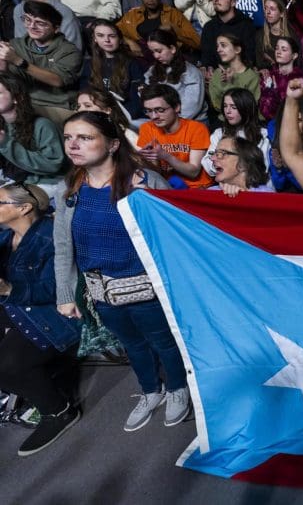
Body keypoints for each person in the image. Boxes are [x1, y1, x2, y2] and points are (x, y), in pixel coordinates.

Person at [56, 110, 191, 432]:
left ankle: (177, 389)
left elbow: (175, 234)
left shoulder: (143, 182)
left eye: (85, 137)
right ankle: (149, 391)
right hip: (101, 290)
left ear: (113, 144)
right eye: (68, 138)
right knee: (131, 345)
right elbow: (62, 245)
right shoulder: (71, 187)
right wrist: (65, 293)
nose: (73, 145)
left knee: (164, 342)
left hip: (146, 287)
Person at [0, 182, 81, 456]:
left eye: (1, 203)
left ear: (24, 208)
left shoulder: (50, 237)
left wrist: (9, 289)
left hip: (53, 318)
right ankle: (41, 379)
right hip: (18, 313)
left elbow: (56, 289)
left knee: (6, 366)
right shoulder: (4, 239)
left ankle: (58, 411)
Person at [0, 0, 83, 127]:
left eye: (40, 23)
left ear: (56, 28)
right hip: (24, 102)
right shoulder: (16, 45)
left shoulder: (69, 51)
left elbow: (58, 80)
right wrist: (3, 61)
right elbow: (5, 78)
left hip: (55, 105)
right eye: (28, 20)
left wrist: (18, 61)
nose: (32, 26)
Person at [0, 74, 65, 196]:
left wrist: (5, 143)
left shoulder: (43, 125)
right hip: (14, 180)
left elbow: (52, 165)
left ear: (16, 98)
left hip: (46, 183)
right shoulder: (4, 125)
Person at [137, 83, 212, 189]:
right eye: (149, 111)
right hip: (166, 186)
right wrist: (145, 159)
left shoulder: (197, 128)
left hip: (196, 187)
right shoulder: (147, 128)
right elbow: (155, 172)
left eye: (160, 110)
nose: (154, 116)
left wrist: (165, 155)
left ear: (176, 107)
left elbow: (194, 172)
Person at [116, 0, 201, 57]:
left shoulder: (173, 14)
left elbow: (197, 43)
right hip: (143, 59)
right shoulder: (132, 16)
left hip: (170, 58)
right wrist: (129, 42)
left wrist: (175, 31)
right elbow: (113, 32)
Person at [202, 87, 270, 180]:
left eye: (233, 107)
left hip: (254, 186)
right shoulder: (219, 133)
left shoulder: (262, 133)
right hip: (226, 185)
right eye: (225, 106)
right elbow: (207, 164)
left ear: (246, 109)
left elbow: (262, 167)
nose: (228, 111)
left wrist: (223, 162)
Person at [87, 20, 145, 121]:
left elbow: (137, 99)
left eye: (112, 36)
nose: (107, 40)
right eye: (100, 36)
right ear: (95, 39)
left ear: (120, 39)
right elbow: (86, 93)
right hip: (99, 113)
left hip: (127, 115)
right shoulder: (89, 64)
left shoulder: (132, 63)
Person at [144, 29, 207, 121]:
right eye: (153, 52)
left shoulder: (191, 72)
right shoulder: (153, 70)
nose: (156, 56)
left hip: (191, 121)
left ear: (172, 49)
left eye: (159, 51)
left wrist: (169, 121)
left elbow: (192, 107)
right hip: (163, 120)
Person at [199, 0, 256, 69]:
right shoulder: (209, 27)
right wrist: (208, 67)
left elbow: (250, 57)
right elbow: (206, 56)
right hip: (216, 76)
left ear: (233, 3)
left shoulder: (246, 25)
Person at [207, 33, 260, 119]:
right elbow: (216, 106)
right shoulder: (217, 74)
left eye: (223, 45)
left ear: (237, 49)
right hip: (223, 122)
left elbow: (249, 107)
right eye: (217, 46)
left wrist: (231, 84)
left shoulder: (252, 77)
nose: (218, 50)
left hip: (246, 122)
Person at [259, 36, 303, 122]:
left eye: (284, 49)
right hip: (272, 124)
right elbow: (265, 111)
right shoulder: (269, 77)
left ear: (294, 55)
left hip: (295, 123)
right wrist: (271, 91)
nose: (278, 52)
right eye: (277, 48)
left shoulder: (301, 78)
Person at [256, 0, 294, 70]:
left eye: (272, 9)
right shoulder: (260, 35)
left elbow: (298, 63)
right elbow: (259, 64)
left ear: (282, 14)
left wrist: (273, 63)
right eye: (266, 8)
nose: (268, 12)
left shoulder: (291, 35)